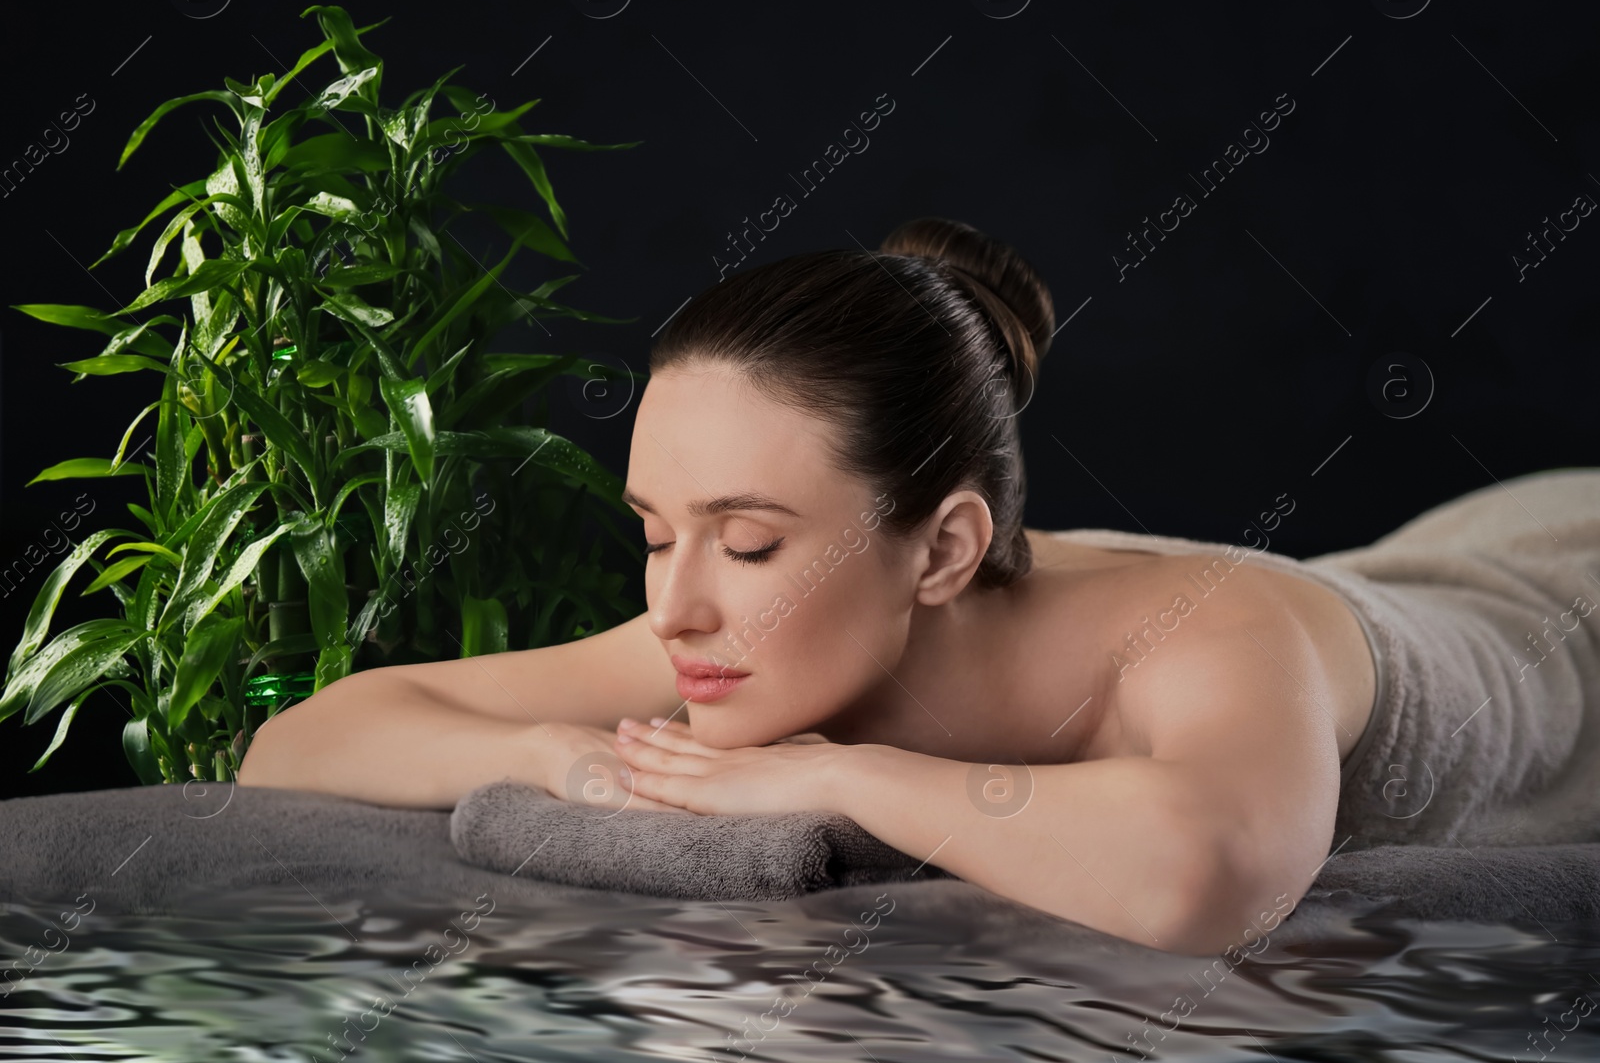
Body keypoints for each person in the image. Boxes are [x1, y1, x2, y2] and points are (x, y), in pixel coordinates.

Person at [239, 217, 1384, 955]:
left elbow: (1211, 874)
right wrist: (558, 755)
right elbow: (296, 743)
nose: (675, 605)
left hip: (1510, 602)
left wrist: (841, 772)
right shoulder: (736, 624)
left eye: (744, 543)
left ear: (940, 550)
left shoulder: (1208, 631)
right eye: (653, 533)